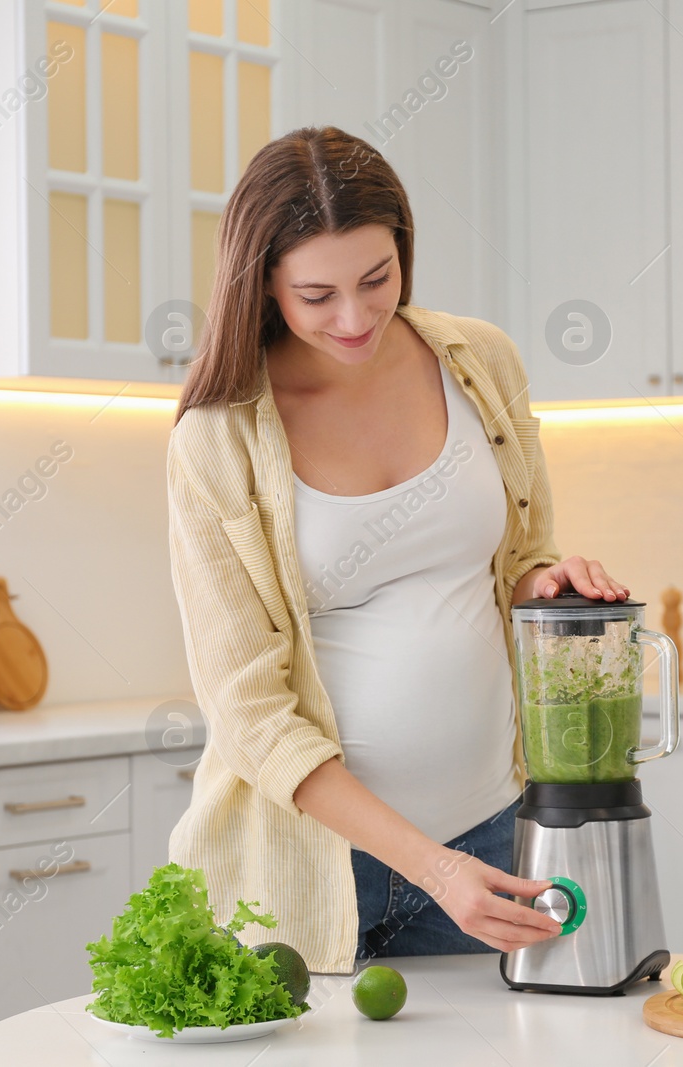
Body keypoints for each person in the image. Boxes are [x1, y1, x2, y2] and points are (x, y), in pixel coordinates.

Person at [165, 126, 631, 975]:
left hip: (487, 838)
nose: (355, 317)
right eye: (317, 295)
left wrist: (548, 583)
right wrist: (430, 865)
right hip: (301, 870)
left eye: (377, 279)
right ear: (262, 284)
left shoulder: (479, 362)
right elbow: (250, 714)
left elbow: (523, 552)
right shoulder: (218, 438)